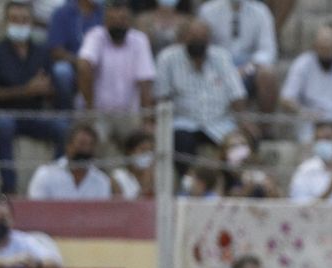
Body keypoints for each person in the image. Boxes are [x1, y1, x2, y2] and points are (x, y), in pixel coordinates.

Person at [0, 0, 68, 195]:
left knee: (63, 127)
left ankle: (56, 184)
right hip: (5, 113)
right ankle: (9, 188)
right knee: (4, 124)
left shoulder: (41, 52)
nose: (20, 23)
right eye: (14, 19)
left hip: (34, 115)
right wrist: (26, 90)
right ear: (6, 22)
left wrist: (46, 89)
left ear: (31, 22)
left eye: (24, 19)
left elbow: (52, 89)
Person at [154, 17, 244, 173]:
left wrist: (243, 123)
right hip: (184, 122)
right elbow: (162, 97)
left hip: (219, 123)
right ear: (183, 38)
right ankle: (188, 184)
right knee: (181, 140)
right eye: (193, 38)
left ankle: (230, 185)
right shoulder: (168, 58)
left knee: (239, 145)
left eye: (202, 38)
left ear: (209, 40)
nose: (198, 43)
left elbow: (237, 95)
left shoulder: (222, 57)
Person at [79, 0, 156, 140]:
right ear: (105, 21)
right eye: (113, 20)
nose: (118, 24)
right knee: (93, 139)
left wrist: (147, 120)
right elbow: (84, 66)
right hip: (99, 113)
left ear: (130, 21)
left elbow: (145, 82)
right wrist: (90, 108)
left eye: (123, 20)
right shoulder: (95, 36)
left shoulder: (139, 40)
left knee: (143, 143)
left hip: (129, 113)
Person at [196, 0, 278, 112]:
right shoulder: (208, 10)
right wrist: (226, 70)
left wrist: (247, 69)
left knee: (267, 75)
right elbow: (204, 47)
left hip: (248, 69)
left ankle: (265, 127)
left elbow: (267, 50)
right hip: (217, 67)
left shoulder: (261, 11)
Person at [0, 195, 64, 268]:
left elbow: (54, 262)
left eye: (2, 219)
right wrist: (8, 262)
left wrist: (37, 264)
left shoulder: (24, 240)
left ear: (12, 220)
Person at [28, 121, 116, 197]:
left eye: (90, 145)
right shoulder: (46, 174)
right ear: (68, 146)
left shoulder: (102, 181)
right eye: (82, 144)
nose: (86, 150)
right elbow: (36, 211)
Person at [47, 0, 103, 108]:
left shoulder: (103, 12)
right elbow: (56, 50)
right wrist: (81, 63)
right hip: (72, 64)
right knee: (61, 71)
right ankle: (66, 110)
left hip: (98, 65)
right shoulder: (62, 12)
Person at [217, 126, 276, 195]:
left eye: (243, 144)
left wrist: (270, 188)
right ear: (224, 152)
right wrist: (246, 189)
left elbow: (276, 195)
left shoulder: (260, 167)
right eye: (234, 146)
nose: (239, 149)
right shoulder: (221, 174)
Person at [110, 127, 157, 196]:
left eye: (150, 150)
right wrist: (145, 184)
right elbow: (121, 206)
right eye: (143, 149)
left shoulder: (157, 177)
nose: (147, 154)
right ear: (130, 151)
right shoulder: (118, 178)